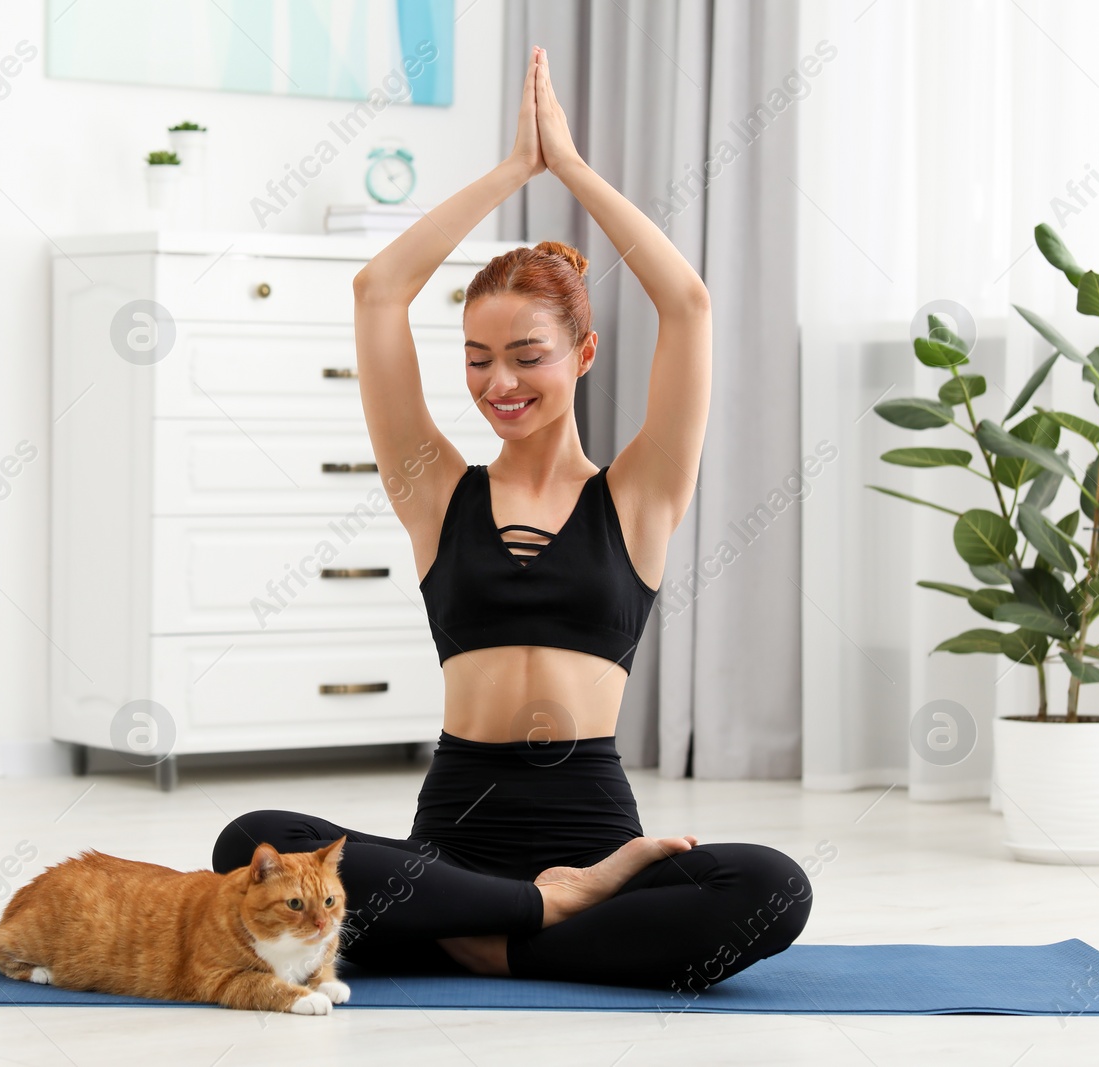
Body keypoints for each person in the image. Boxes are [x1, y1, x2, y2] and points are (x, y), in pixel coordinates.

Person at [212, 45, 811, 992]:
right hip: (452, 841)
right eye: (478, 356)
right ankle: (539, 919)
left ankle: (473, 940)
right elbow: (378, 291)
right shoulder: (435, 490)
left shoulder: (639, 494)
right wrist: (510, 171)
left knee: (776, 887)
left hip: (593, 833)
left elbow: (688, 305)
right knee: (253, 842)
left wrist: (570, 170)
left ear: (583, 353)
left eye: (527, 355)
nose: (500, 383)